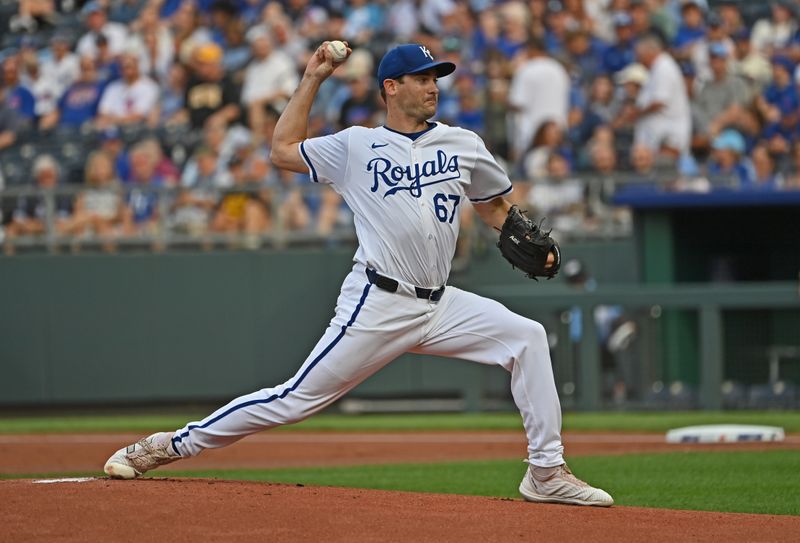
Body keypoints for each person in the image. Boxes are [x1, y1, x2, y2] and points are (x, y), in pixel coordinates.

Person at [103, 42, 613, 508]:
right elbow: (281, 151)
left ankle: (546, 472)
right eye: (421, 77)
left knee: (526, 337)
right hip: (378, 300)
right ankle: (168, 445)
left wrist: (515, 230)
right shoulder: (355, 146)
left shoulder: (462, 143)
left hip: (441, 304)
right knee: (294, 400)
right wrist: (312, 78)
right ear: (392, 87)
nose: (433, 85)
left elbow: (493, 204)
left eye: (436, 76)